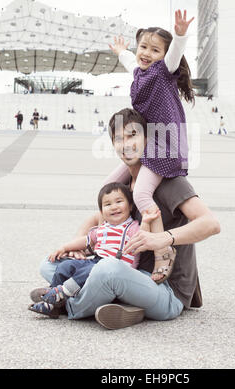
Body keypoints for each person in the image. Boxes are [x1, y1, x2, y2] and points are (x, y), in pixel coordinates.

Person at [31, 108, 220, 330]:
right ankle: (115, 302)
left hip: (163, 289)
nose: (126, 144)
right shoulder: (123, 187)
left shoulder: (170, 182)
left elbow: (211, 223)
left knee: (108, 270)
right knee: (49, 264)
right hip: (126, 272)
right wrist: (79, 244)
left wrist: (164, 239)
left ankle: (66, 305)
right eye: (119, 138)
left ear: (147, 139)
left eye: (133, 135)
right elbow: (94, 220)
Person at [106, 9, 195, 284]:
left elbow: (174, 54)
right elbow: (128, 62)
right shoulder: (139, 73)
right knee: (108, 187)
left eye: (154, 50)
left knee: (143, 195)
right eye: (143, 46)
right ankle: (107, 241)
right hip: (147, 142)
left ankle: (161, 249)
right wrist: (122, 50)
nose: (146, 53)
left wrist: (179, 35)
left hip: (163, 144)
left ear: (163, 56)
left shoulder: (163, 72)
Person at [29, 182, 159, 318]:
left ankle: (62, 293)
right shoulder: (103, 228)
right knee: (66, 266)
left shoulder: (132, 227)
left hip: (116, 268)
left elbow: (141, 237)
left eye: (119, 202)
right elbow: (86, 240)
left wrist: (146, 222)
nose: (114, 207)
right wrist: (64, 247)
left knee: (87, 272)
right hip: (96, 261)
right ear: (102, 211)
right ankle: (51, 301)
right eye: (108, 204)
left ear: (130, 206)